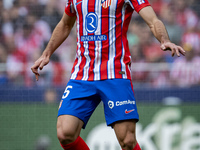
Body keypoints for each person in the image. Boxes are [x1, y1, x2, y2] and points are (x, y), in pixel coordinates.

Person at [31, 0, 185, 149]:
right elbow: (65, 24)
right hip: (83, 74)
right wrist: (46, 54)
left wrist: (164, 39)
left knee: (127, 141)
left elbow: (152, 20)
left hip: (115, 73)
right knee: (65, 133)